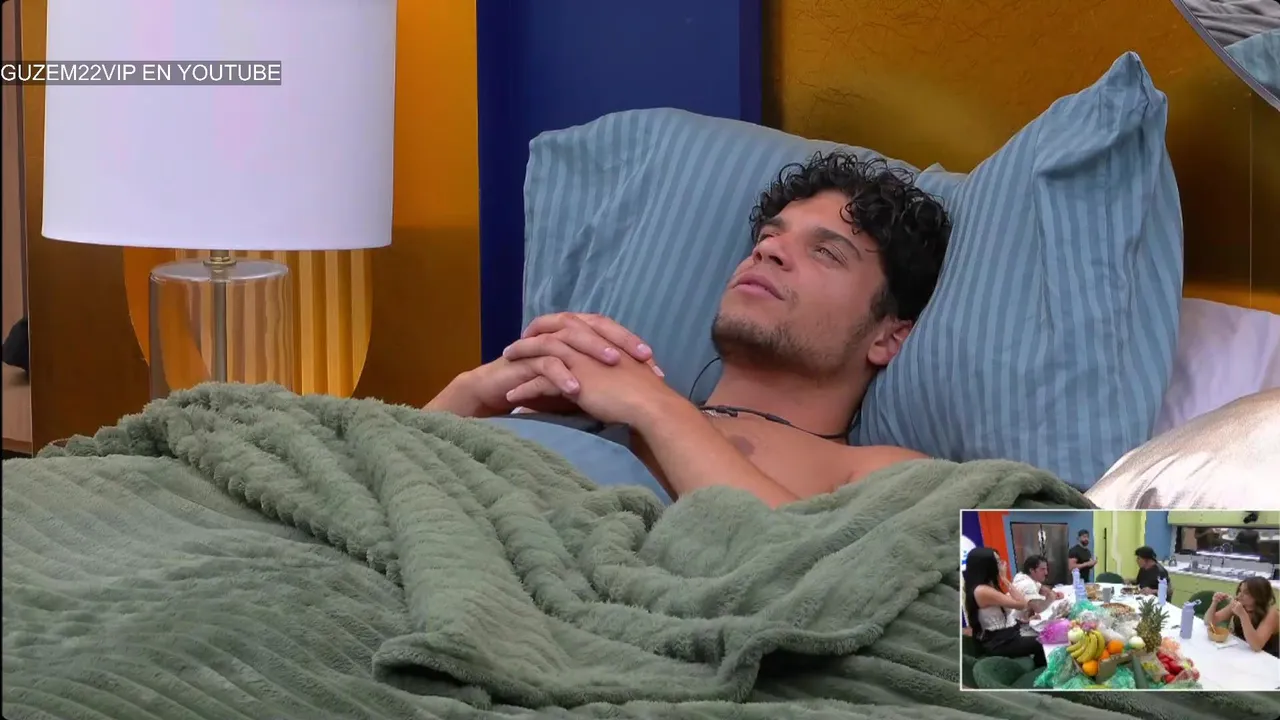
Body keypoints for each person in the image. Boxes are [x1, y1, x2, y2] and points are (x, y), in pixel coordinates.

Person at [427, 152, 952, 507]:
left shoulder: (887, 474)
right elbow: (388, 475)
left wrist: (654, 407)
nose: (769, 251)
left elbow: (811, 576)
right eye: (768, 238)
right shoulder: (593, 404)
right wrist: (473, 394)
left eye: (825, 252)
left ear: (888, 337)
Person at [962, 548, 1048, 667]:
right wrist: (1004, 578)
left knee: (1044, 633)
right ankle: (1039, 671)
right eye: (998, 562)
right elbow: (1021, 604)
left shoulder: (987, 586)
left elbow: (998, 615)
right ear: (987, 565)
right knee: (1044, 643)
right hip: (999, 642)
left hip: (1006, 635)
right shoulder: (982, 590)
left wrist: (1024, 621)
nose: (1003, 565)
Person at [1204, 577, 1280, 657]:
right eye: (1240, 590)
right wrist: (1215, 603)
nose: (1239, 595)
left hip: (1267, 657)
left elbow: (1257, 646)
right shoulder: (1238, 605)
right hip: (1243, 652)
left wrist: (1243, 615)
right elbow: (1208, 621)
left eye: (1246, 593)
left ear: (1259, 596)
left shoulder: (1271, 613)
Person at [1009, 555, 1064, 629]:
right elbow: (1039, 608)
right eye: (1042, 569)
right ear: (1032, 570)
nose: (1046, 573)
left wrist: (1053, 593)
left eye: (1046, 569)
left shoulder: (1023, 576)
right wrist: (1051, 598)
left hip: (1020, 620)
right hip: (1017, 625)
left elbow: (1042, 588)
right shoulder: (1027, 584)